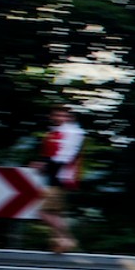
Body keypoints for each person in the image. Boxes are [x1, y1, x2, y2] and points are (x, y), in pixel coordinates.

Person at [30, 107, 84, 252]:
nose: (59, 118)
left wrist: (45, 165)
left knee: (43, 213)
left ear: (70, 118)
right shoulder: (55, 132)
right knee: (55, 214)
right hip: (54, 177)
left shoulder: (71, 133)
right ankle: (60, 243)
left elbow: (65, 156)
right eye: (57, 114)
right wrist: (42, 162)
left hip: (61, 177)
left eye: (63, 115)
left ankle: (68, 239)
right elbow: (50, 154)